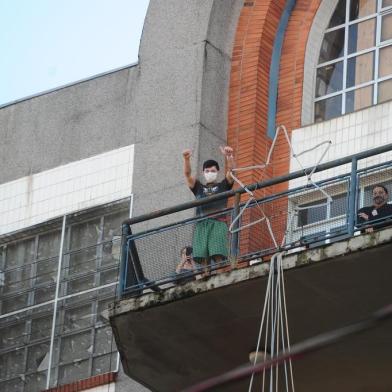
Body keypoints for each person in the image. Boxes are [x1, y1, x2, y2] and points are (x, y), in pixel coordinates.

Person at [182, 146, 235, 274]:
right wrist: (186, 159)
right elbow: (187, 174)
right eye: (207, 170)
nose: (210, 172)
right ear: (203, 172)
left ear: (217, 171)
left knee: (218, 254)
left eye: (212, 170)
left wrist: (229, 157)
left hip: (218, 223)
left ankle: (220, 276)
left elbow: (231, 172)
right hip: (202, 224)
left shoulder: (223, 185)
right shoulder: (199, 187)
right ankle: (207, 276)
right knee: (203, 257)